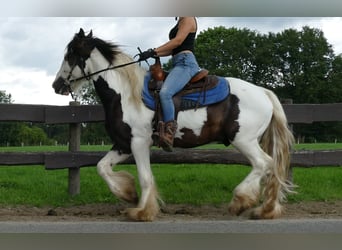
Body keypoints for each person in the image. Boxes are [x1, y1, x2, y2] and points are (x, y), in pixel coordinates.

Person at [138, 17, 200, 152]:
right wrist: (152, 53)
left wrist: (154, 51)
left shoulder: (188, 18)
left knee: (165, 93)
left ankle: (169, 133)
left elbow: (177, 42)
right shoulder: (181, 20)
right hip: (178, 63)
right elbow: (172, 49)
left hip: (186, 64)